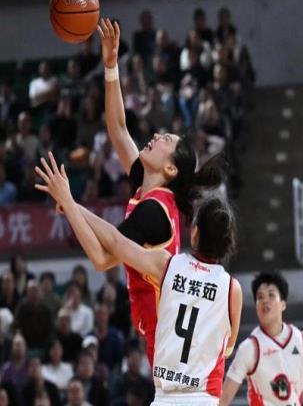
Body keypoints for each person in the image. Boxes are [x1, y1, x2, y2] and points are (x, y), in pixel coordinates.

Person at [68, 18, 226, 368]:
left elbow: (102, 258)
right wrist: (111, 67)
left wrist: (70, 203)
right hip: (164, 336)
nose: (155, 137)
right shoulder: (149, 185)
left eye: (165, 140)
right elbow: (118, 128)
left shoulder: (154, 212)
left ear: (170, 169)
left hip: (169, 340)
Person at [35, 154, 242, 404]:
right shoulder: (232, 290)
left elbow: (115, 240)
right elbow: (227, 348)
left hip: (165, 398)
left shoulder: (167, 264)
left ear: (194, 233)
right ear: (227, 243)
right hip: (204, 399)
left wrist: (70, 203)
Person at [220, 272, 303, 406]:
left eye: (271, 295)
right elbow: (225, 397)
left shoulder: (299, 338)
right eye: (260, 297)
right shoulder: (249, 348)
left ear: (283, 304)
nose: (265, 300)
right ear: (256, 306)